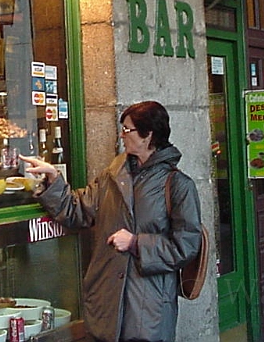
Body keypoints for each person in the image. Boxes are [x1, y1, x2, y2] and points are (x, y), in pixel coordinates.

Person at [21, 100, 202, 342]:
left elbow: (186, 245)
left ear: (148, 135)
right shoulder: (112, 176)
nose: (122, 135)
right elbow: (77, 211)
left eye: (128, 130)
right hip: (106, 299)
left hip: (148, 305)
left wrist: (136, 243)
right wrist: (53, 179)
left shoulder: (179, 185)